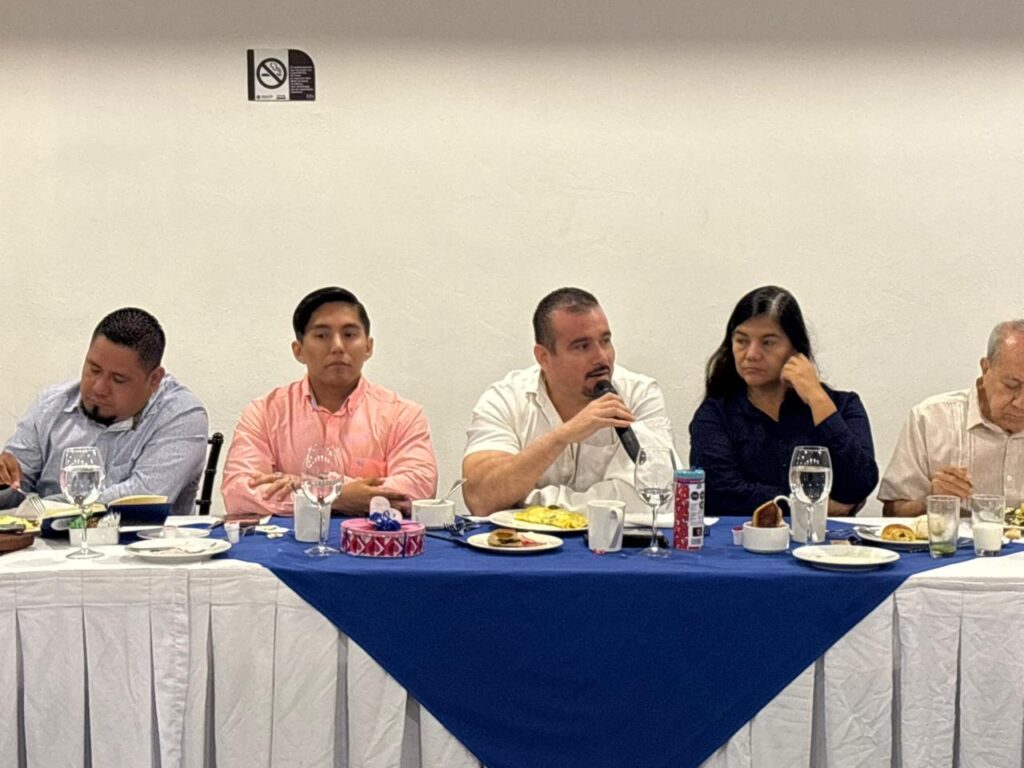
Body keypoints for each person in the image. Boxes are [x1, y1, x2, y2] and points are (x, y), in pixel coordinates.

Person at [221, 287, 438, 517]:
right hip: (292, 539)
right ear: (298, 351)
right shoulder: (265, 412)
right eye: (322, 336)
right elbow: (239, 493)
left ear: (368, 347)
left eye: (349, 335)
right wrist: (338, 497)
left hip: (374, 539)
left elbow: (418, 487)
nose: (337, 347)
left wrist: (304, 486)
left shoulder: (402, 414)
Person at [462, 287, 675, 519]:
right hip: (521, 542)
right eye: (582, 346)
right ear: (543, 357)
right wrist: (563, 436)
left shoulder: (639, 394)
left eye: (605, 341)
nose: (602, 357)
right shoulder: (505, 399)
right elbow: (480, 498)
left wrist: (531, 502)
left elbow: (647, 498)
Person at [689, 286, 878, 516]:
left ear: (795, 349)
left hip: (824, 538)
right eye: (741, 341)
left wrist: (817, 398)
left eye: (768, 343)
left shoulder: (844, 406)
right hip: (740, 537)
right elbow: (720, 492)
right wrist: (807, 505)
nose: (751, 354)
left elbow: (859, 485)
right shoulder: (716, 413)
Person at [0, 308, 209, 515]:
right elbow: (15, 490)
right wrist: (4, 484)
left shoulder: (181, 415)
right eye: (94, 369)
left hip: (139, 537)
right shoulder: (52, 405)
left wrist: (42, 507)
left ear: (154, 379)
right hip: (40, 537)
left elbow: (142, 498)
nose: (99, 387)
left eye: (118, 379)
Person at [879, 320, 1024, 516]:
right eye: (1011, 385)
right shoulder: (931, 418)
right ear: (985, 369)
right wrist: (931, 500)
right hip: (954, 536)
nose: (1020, 403)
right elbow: (892, 514)